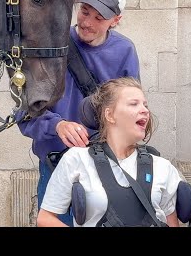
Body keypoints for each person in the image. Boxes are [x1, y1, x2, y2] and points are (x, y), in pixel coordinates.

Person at [17, 0, 140, 225]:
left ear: (115, 20)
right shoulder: (49, 44)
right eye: (85, 11)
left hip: (104, 169)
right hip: (55, 166)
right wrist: (57, 126)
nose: (87, 22)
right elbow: (24, 114)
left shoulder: (124, 52)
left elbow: (133, 114)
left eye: (99, 17)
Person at [37, 77, 183, 227]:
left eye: (145, 105)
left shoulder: (163, 167)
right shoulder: (77, 158)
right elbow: (45, 219)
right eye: (134, 104)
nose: (145, 110)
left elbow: (171, 223)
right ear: (109, 115)